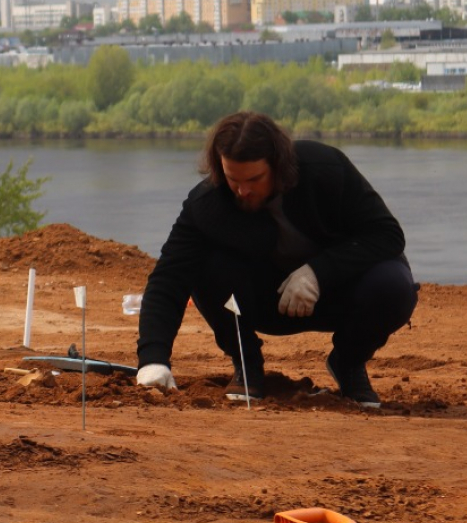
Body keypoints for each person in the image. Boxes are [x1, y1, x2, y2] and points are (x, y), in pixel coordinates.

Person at [132, 111, 416, 408]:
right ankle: (247, 365)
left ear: (278, 165)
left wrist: (318, 272)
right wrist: (153, 358)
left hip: (340, 294)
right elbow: (169, 278)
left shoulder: (324, 167)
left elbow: (387, 234)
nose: (243, 191)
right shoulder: (205, 203)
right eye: (232, 179)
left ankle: (348, 363)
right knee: (203, 264)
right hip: (263, 302)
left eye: (255, 179)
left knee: (393, 286)